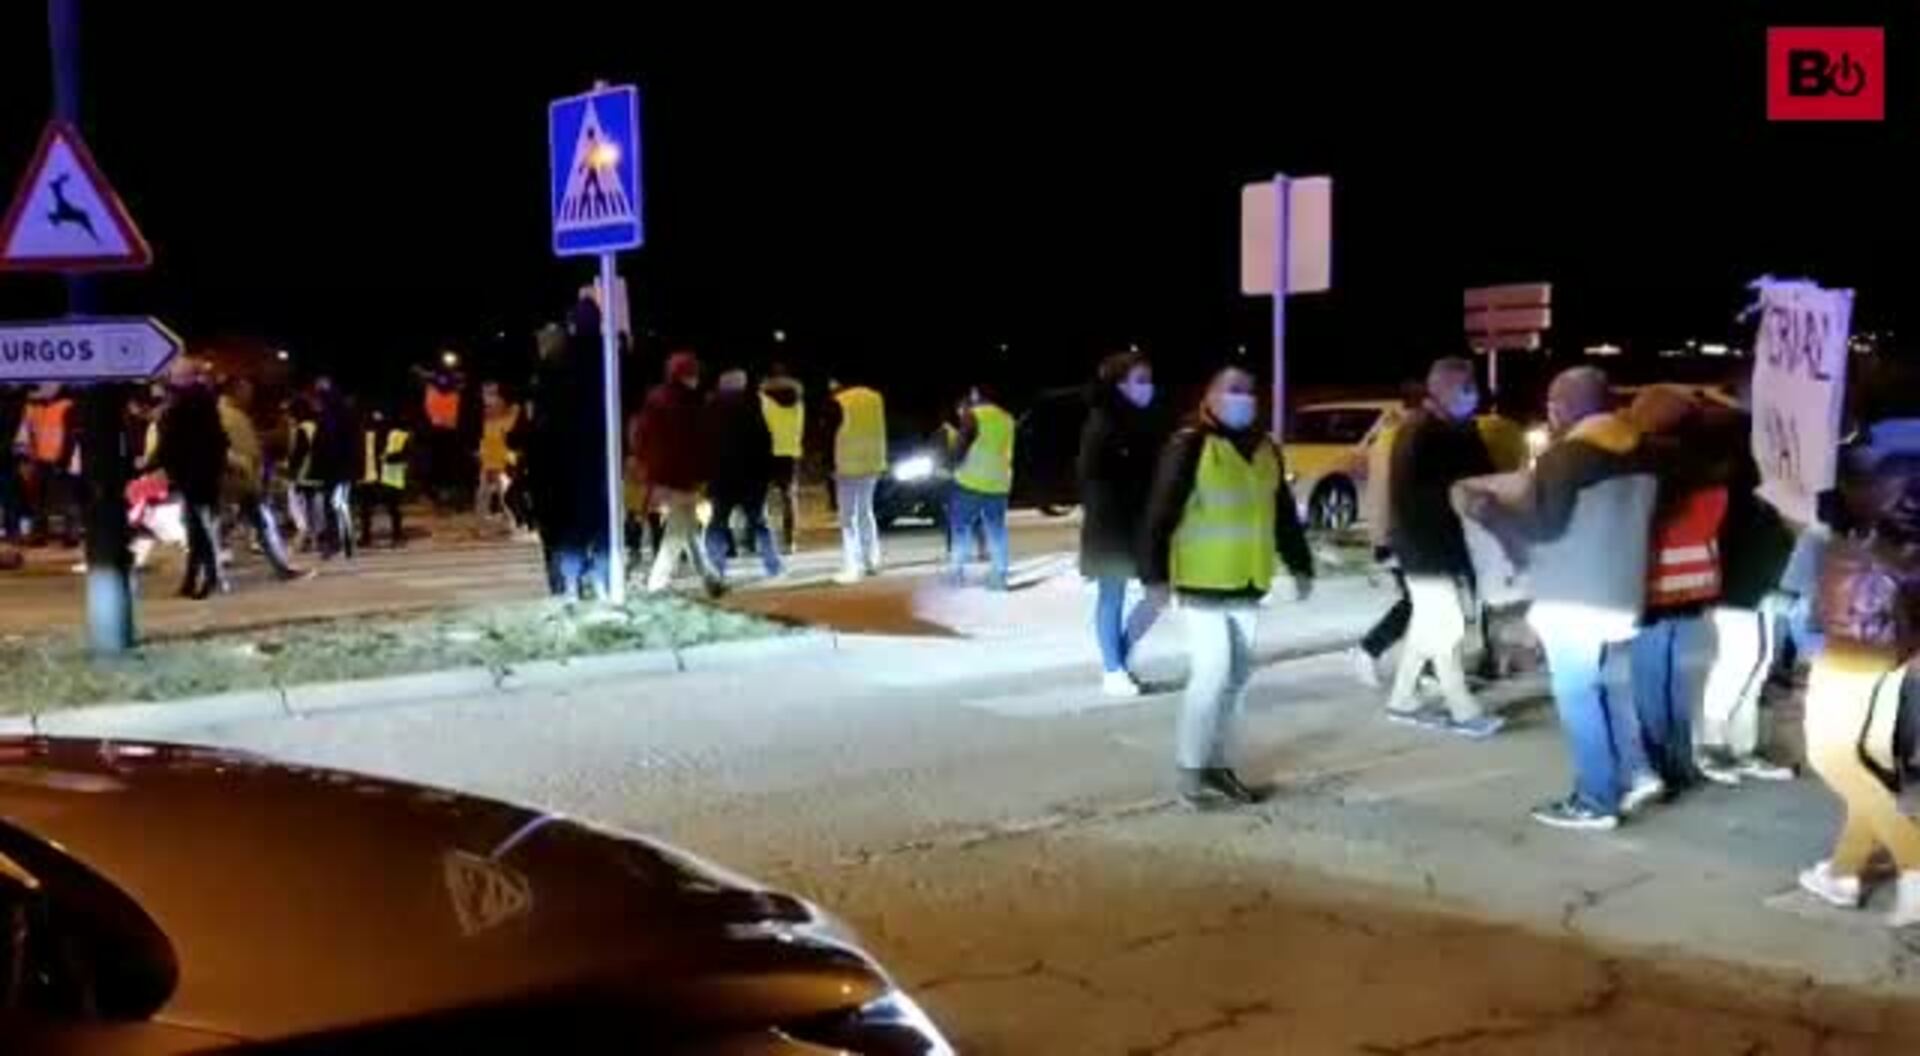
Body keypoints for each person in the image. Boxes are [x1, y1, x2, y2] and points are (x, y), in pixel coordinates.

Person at [1463, 366, 1656, 831]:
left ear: (1566, 407)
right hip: (1623, 588)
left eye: (1553, 403)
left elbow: (1542, 530)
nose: (1550, 413)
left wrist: (1487, 511)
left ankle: (1595, 799)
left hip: (1574, 595)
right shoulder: (1643, 451)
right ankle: (1636, 773)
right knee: (1613, 687)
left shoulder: (1567, 457)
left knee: (1576, 696)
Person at [1142, 366, 1315, 809]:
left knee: (1236, 679)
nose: (1244, 398)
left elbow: (1282, 515)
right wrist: (1155, 576)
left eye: (1249, 391)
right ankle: (1190, 772)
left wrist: (1300, 564)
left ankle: (1217, 765)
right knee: (1212, 674)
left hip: (1247, 582)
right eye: (1233, 390)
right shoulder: (1190, 445)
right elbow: (1159, 514)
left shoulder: (1264, 449)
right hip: (1201, 581)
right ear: (1211, 396)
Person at [1797, 451, 1920, 928]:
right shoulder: (1902, 548)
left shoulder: (1862, 551)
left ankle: (1912, 860)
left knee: (1835, 760)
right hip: (1891, 658)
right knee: (1870, 761)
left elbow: (1832, 591)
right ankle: (1845, 873)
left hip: (1851, 653)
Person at [1381, 358, 1502, 738]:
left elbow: (1485, 477)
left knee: (1429, 622)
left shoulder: (1463, 429)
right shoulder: (1418, 432)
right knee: (1447, 625)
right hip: (1423, 542)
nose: (1472, 393)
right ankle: (1462, 707)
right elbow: (1413, 496)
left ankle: (1403, 698)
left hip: (1452, 542)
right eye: (1465, 387)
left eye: (1473, 386)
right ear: (1442, 389)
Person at [1077, 350, 1170, 697]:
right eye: (1140, 381)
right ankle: (1113, 669)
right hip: (1111, 526)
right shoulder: (1103, 422)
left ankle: (1119, 655)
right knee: (1111, 595)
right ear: (1120, 385)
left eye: (1150, 380)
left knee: (1159, 594)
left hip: (1146, 524)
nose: (1149, 388)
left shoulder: (1150, 420)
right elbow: (1089, 476)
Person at [1349, 385, 1423, 688]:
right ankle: (1368, 649)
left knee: (1424, 603)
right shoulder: (1400, 438)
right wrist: (1384, 539)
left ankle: (1423, 668)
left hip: (1399, 533)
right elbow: (1387, 492)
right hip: (1400, 534)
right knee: (1418, 602)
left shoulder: (1398, 434)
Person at [639, 351, 724, 596]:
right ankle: (657, 582)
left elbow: (643, 436)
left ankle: (710, 577)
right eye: (693, 374)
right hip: (681, 473)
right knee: (678, 528)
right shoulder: (690, 403)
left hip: (661, 472)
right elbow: (698, 441)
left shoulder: (656, 399)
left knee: (686, 524)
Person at [152, 363, 230, 599]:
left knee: (199, 528)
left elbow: (171, 441)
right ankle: (193, 579)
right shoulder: (203, 403)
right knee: (197, 527)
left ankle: (209, 579)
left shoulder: (185, 405)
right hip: (202, 472)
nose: (171, 380)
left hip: (193, 473)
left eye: (176, 376)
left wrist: (152, 464)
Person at [218, 378, 306, 581]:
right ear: (235, 391)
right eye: (246, 391)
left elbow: (248, 442)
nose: (249, 396)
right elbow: (218, 446)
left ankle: (282, 567)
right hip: (230, 482)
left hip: (246, 482)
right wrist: (238, 461)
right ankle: (207, 573)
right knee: (218, 526)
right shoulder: (222, 415)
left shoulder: (237, 415)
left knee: (263, 523)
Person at [705, 367, 784, 580]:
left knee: (717, 522)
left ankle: (716, 567)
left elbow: (704, 444)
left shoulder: (711, 408)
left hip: (721, 476)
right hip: (752, 477)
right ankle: (773, 565)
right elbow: (765, 442)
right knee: (759, 522)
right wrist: (768, 473)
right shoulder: (754, 407)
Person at [947, 383, 1016, 590]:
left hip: (970, 482)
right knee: (996, 529)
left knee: (961, 528)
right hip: (998, 483)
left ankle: (957, 574)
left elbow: (960, 447)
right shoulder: (1007, 418)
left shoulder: (973, 416)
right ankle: (1000, 575)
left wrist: (950, 465)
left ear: (976, 395)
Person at [825, 377, 887, 584]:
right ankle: (872, 560)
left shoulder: (839, 401)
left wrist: (828, 465)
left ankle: (853, 565)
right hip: (873, 461)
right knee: (866, 512)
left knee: (847, 518)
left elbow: (830, 433)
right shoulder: (875, 398)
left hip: (847, 463)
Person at [16, 383, 81, 547]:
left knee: (68, 500)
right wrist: (27, 459)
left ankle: (71, 534)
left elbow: (71, 437)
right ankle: (39, 534)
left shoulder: (67, 406)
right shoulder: (31, 408)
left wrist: (65, 460)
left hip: (62, 460)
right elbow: (26, 434)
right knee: (38, 501)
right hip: (39, 459)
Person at [308, 377, 362, 561]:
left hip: (337, 468)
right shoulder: (335, 414)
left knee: (336, 505)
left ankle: (338, 541)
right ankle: (337, 541)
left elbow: (322, 443)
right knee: (336, 505)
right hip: (337, 468)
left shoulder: (333, 415)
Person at [759, 363, 806, 555]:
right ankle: (790, 541)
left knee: (764, 499)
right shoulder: (799, 403)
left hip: (768, 452)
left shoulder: (763, 400)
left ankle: (766, 541)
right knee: (789, 497)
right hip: (791, 452)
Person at [358, 405, 411, 548]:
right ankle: (366, 536)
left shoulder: (393, 434)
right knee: (366, 508)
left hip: (387, 475)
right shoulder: (362, 435)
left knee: (392, 506)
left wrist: (389, 457)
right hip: (368, 474)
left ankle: (396, 534)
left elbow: (404, 453)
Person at [475, 381, 521, 526]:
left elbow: (507, 431)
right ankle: (496, 517)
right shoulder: (489, 420)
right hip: (493, 456)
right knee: (489, 488)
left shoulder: (504, 416)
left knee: (500, 488)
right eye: (486, 393)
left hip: (502, 456)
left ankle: (508, 517)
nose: (488, 399)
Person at [0, 388, 24, 541]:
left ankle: (13, 531)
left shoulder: (11, 411)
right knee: (10, 497)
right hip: (6, 460)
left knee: (9, 497)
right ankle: (13, 531)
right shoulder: (13, 410)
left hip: (6, 460)